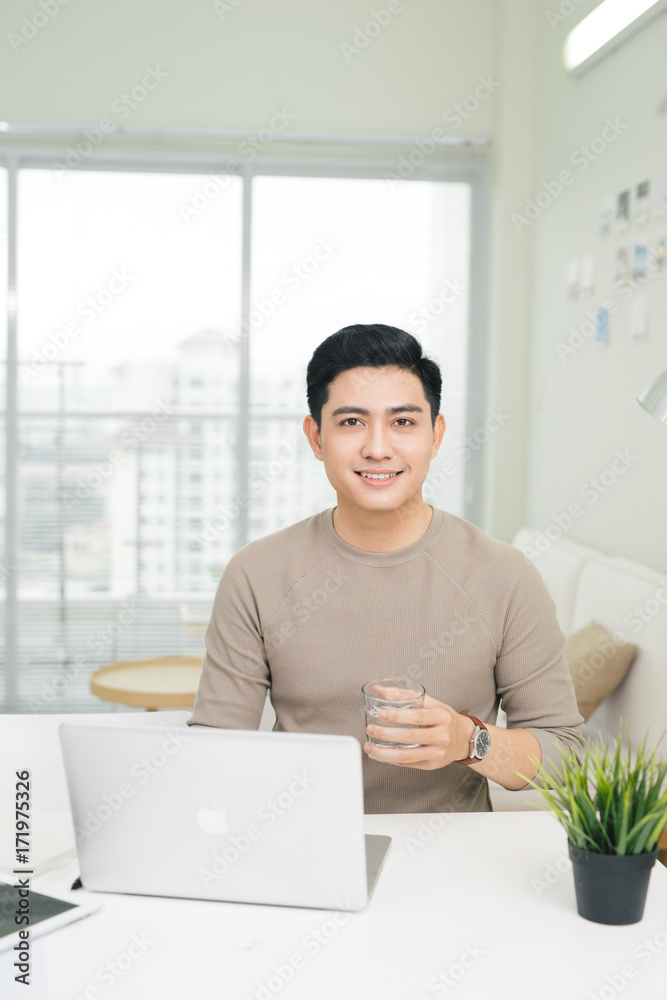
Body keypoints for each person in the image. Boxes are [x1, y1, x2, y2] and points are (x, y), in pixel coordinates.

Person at [188, 323, 584, 813]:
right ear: (315, 437)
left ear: (436, 436)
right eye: (351, 422)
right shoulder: (256, 575)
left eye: (403, 422)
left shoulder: (503, 575)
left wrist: (470, 740)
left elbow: (568, 755)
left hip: (451, 859)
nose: (378, 448)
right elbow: (215, 752)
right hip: (298, 848)